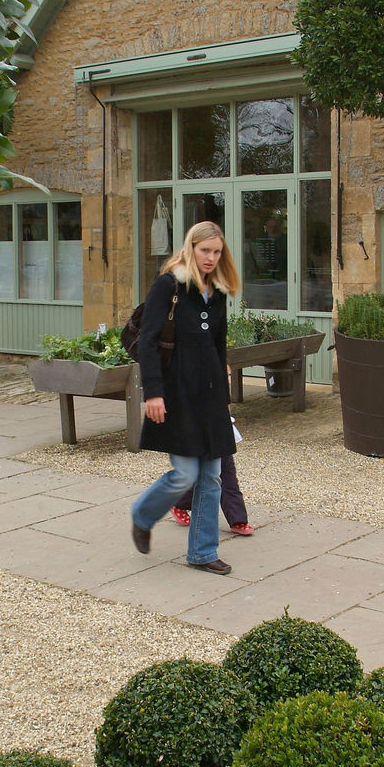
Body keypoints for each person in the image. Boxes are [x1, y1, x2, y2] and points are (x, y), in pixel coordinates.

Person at [131, 221, 239, 575]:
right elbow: (147, 341)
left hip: (209, 396)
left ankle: (203, 552)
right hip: (177, 393)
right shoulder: (169, 285)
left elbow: (218, 347)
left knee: (212, 477)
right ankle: (143, 515)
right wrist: (154, 393)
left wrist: (224, 396)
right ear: (190, 248)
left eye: (217, 251)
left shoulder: (218, 292)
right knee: (185, 474)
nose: (211, 258)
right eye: (205, 250)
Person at [171, 452, 254, 536]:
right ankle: (179, 503)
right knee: (205, 479)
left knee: (229, 481)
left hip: (224, 444)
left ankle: (237, 520)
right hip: (203, 443)